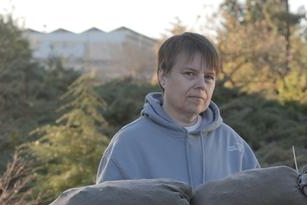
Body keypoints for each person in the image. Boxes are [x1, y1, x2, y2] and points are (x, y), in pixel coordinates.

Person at [96, 32, 259, 188]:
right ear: (163, 77)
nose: (201, 85)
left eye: (209, 77)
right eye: (190, 74)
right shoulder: (128, 143)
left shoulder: (233, 143)